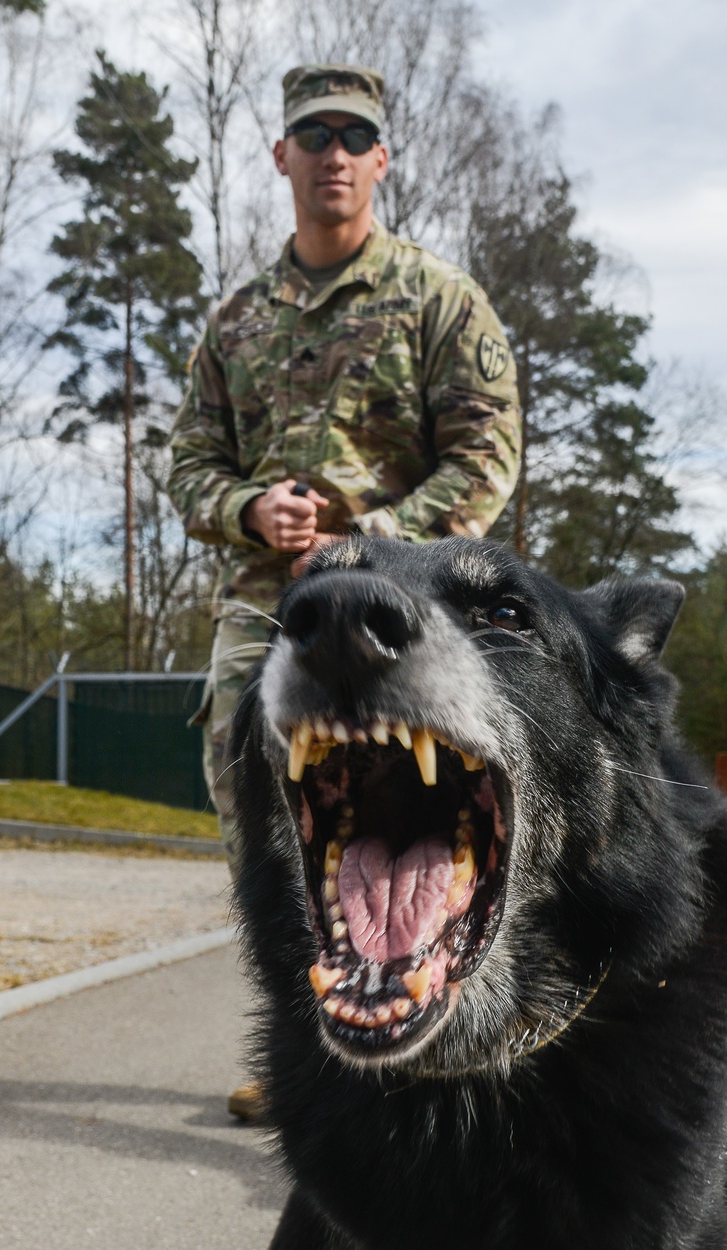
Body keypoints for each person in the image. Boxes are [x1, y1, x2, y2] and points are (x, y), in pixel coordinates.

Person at [166, 63, 521, 1117]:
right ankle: (308, 1050)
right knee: (264, 826)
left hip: (411, 613)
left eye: (352, 137)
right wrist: (245, 512)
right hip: (265, 613)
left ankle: (431, 1010)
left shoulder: (439, 300)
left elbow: (487, 458)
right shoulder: (233, 323)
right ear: (281, 155)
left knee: (428, 816)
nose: (331, 153)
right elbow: (188, 461)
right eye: (312, 134)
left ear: (379, 161)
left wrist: (376, 542)